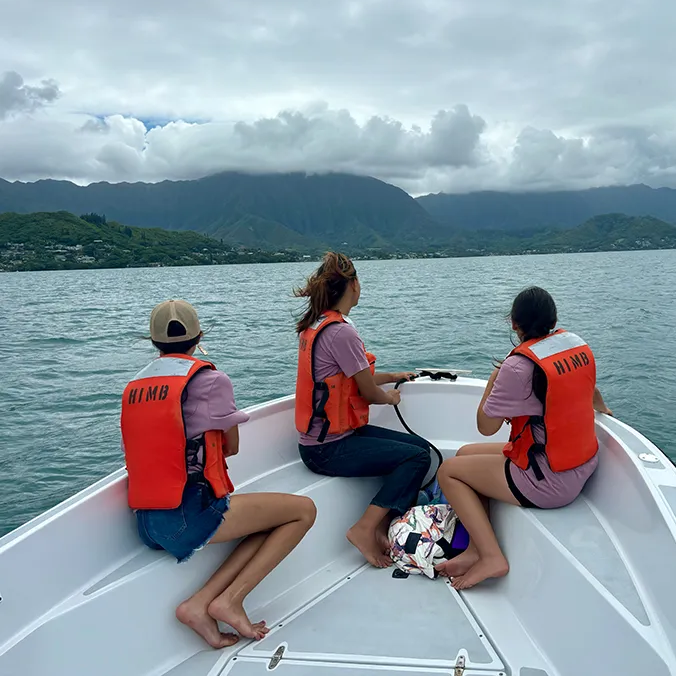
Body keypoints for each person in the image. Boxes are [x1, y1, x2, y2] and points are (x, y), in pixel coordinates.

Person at [121, 299, 317, 649]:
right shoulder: (211, 380)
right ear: (199, 337)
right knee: (303, 511)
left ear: (153, 343)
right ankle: (229, 601)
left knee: (267, 525)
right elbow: (231, 447)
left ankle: (201, 605)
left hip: (147, 522)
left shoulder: (135, 386)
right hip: (187, 516)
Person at [437, 286, 612, 590]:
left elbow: (485, 426)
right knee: (465, 453)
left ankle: (492, 557)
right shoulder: (573, 347)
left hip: (548, 483)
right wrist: (607, 413)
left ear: (514, 324)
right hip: (580, 465)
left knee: (448, 471)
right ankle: (474, 549)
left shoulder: (518, 367)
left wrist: (494, 378)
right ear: (553, 319)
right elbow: (591, 393)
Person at [294, 252, 432, 568]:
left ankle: (386, 526)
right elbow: (367, 392)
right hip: (327, 448)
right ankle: (365, 528)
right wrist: (390, 398)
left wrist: (395, 376)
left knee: (420, 448)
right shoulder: (342, 332)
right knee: (418, 457)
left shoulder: (318, 325)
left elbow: (351, 379)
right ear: (353, 285)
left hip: (328, 438)